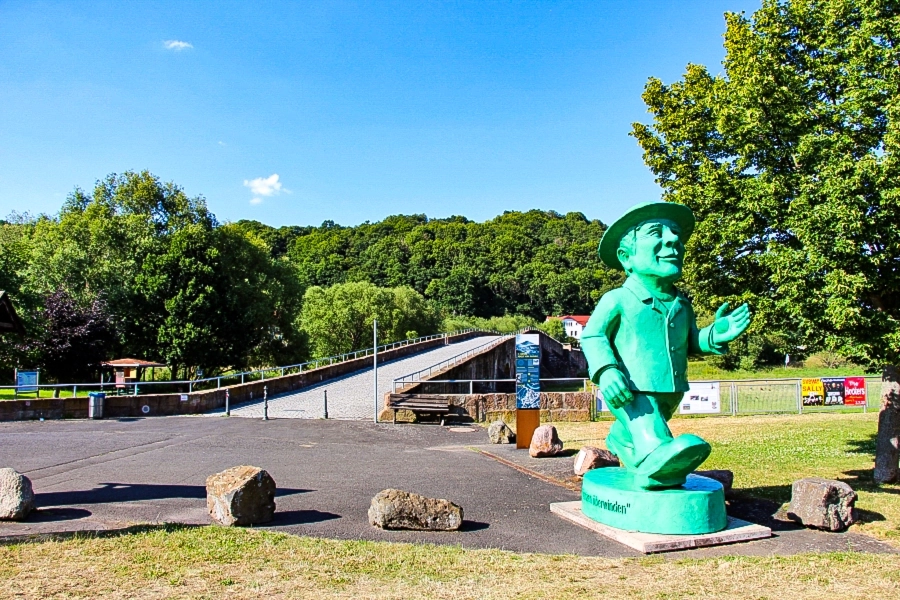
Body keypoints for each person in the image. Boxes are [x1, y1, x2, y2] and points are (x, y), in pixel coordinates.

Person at [581, 202, 751, 488]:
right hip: (631, 391)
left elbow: (689, 341)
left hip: (672, 390)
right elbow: (593, 336)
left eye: (675, 233)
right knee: (654, 441)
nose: (673, 239)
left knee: (640, 432)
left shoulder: (682, 303)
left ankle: (622, 439)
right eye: (656, 232)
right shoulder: (618, 299)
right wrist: (607, 370)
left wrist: (713, 336)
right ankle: (658, 459)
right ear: (627, 257)